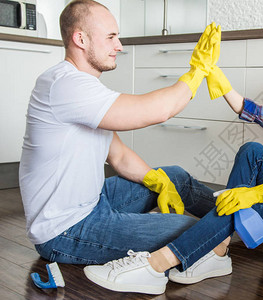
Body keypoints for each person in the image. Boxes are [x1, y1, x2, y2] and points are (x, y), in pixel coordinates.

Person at [84, 52, 263, 295]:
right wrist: (217, 77)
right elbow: (251, 110)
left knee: (247, 201)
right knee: (252, 151)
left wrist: (254, 194)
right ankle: (220, 249)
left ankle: (158, 264)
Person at [19, 0, 231, 281]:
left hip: (94, 201)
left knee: (174, 177)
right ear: (80, 39)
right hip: (66, 230)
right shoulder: (64, 84)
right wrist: (197, 71)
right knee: (189, 230)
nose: (119, 45)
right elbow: (157, 110)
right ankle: (233, 225)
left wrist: (159, 182)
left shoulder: (85, 88)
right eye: (111, 37)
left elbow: (118, 156)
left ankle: (237, 215)